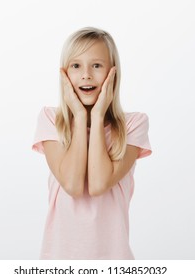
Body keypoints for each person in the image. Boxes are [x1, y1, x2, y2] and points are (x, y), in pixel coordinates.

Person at [32, 27, 152, 259]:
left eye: (96, 66)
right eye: (76, 66)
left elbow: (98, 185)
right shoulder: (50, 120)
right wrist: (78, 115)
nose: (86, 74)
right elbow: (73, 185)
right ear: (64, 73)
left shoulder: (133, 124)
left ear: (112, 73)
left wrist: (97, 117)